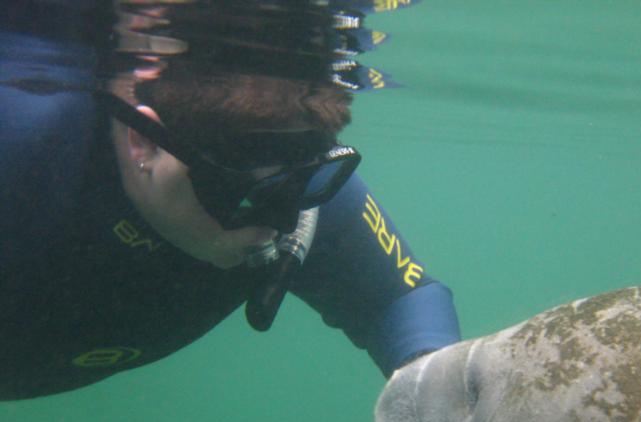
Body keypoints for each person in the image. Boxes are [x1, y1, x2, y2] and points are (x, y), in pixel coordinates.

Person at [0, 1, 460, 400]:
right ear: (142, 140)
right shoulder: (23, 154)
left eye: (299, 181)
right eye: (238, 190)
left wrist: (443, 413)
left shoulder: (304, 202)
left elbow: (398, 304)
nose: (277, 223)